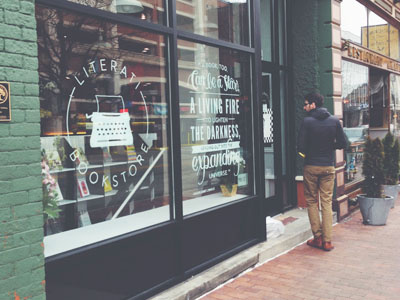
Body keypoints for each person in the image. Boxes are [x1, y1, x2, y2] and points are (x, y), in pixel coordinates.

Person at [297, 93, 347, 251]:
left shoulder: (307, 122)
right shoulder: (334, 121)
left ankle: (317, 238)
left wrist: (308, 152)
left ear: (313, 105)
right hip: (328, 166)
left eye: (306, 104)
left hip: (311, 166)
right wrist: (330, 147)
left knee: (312, 201)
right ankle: (327, 241)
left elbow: (301, 147)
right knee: (326, 202)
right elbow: (343, 142)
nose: (304, 107)